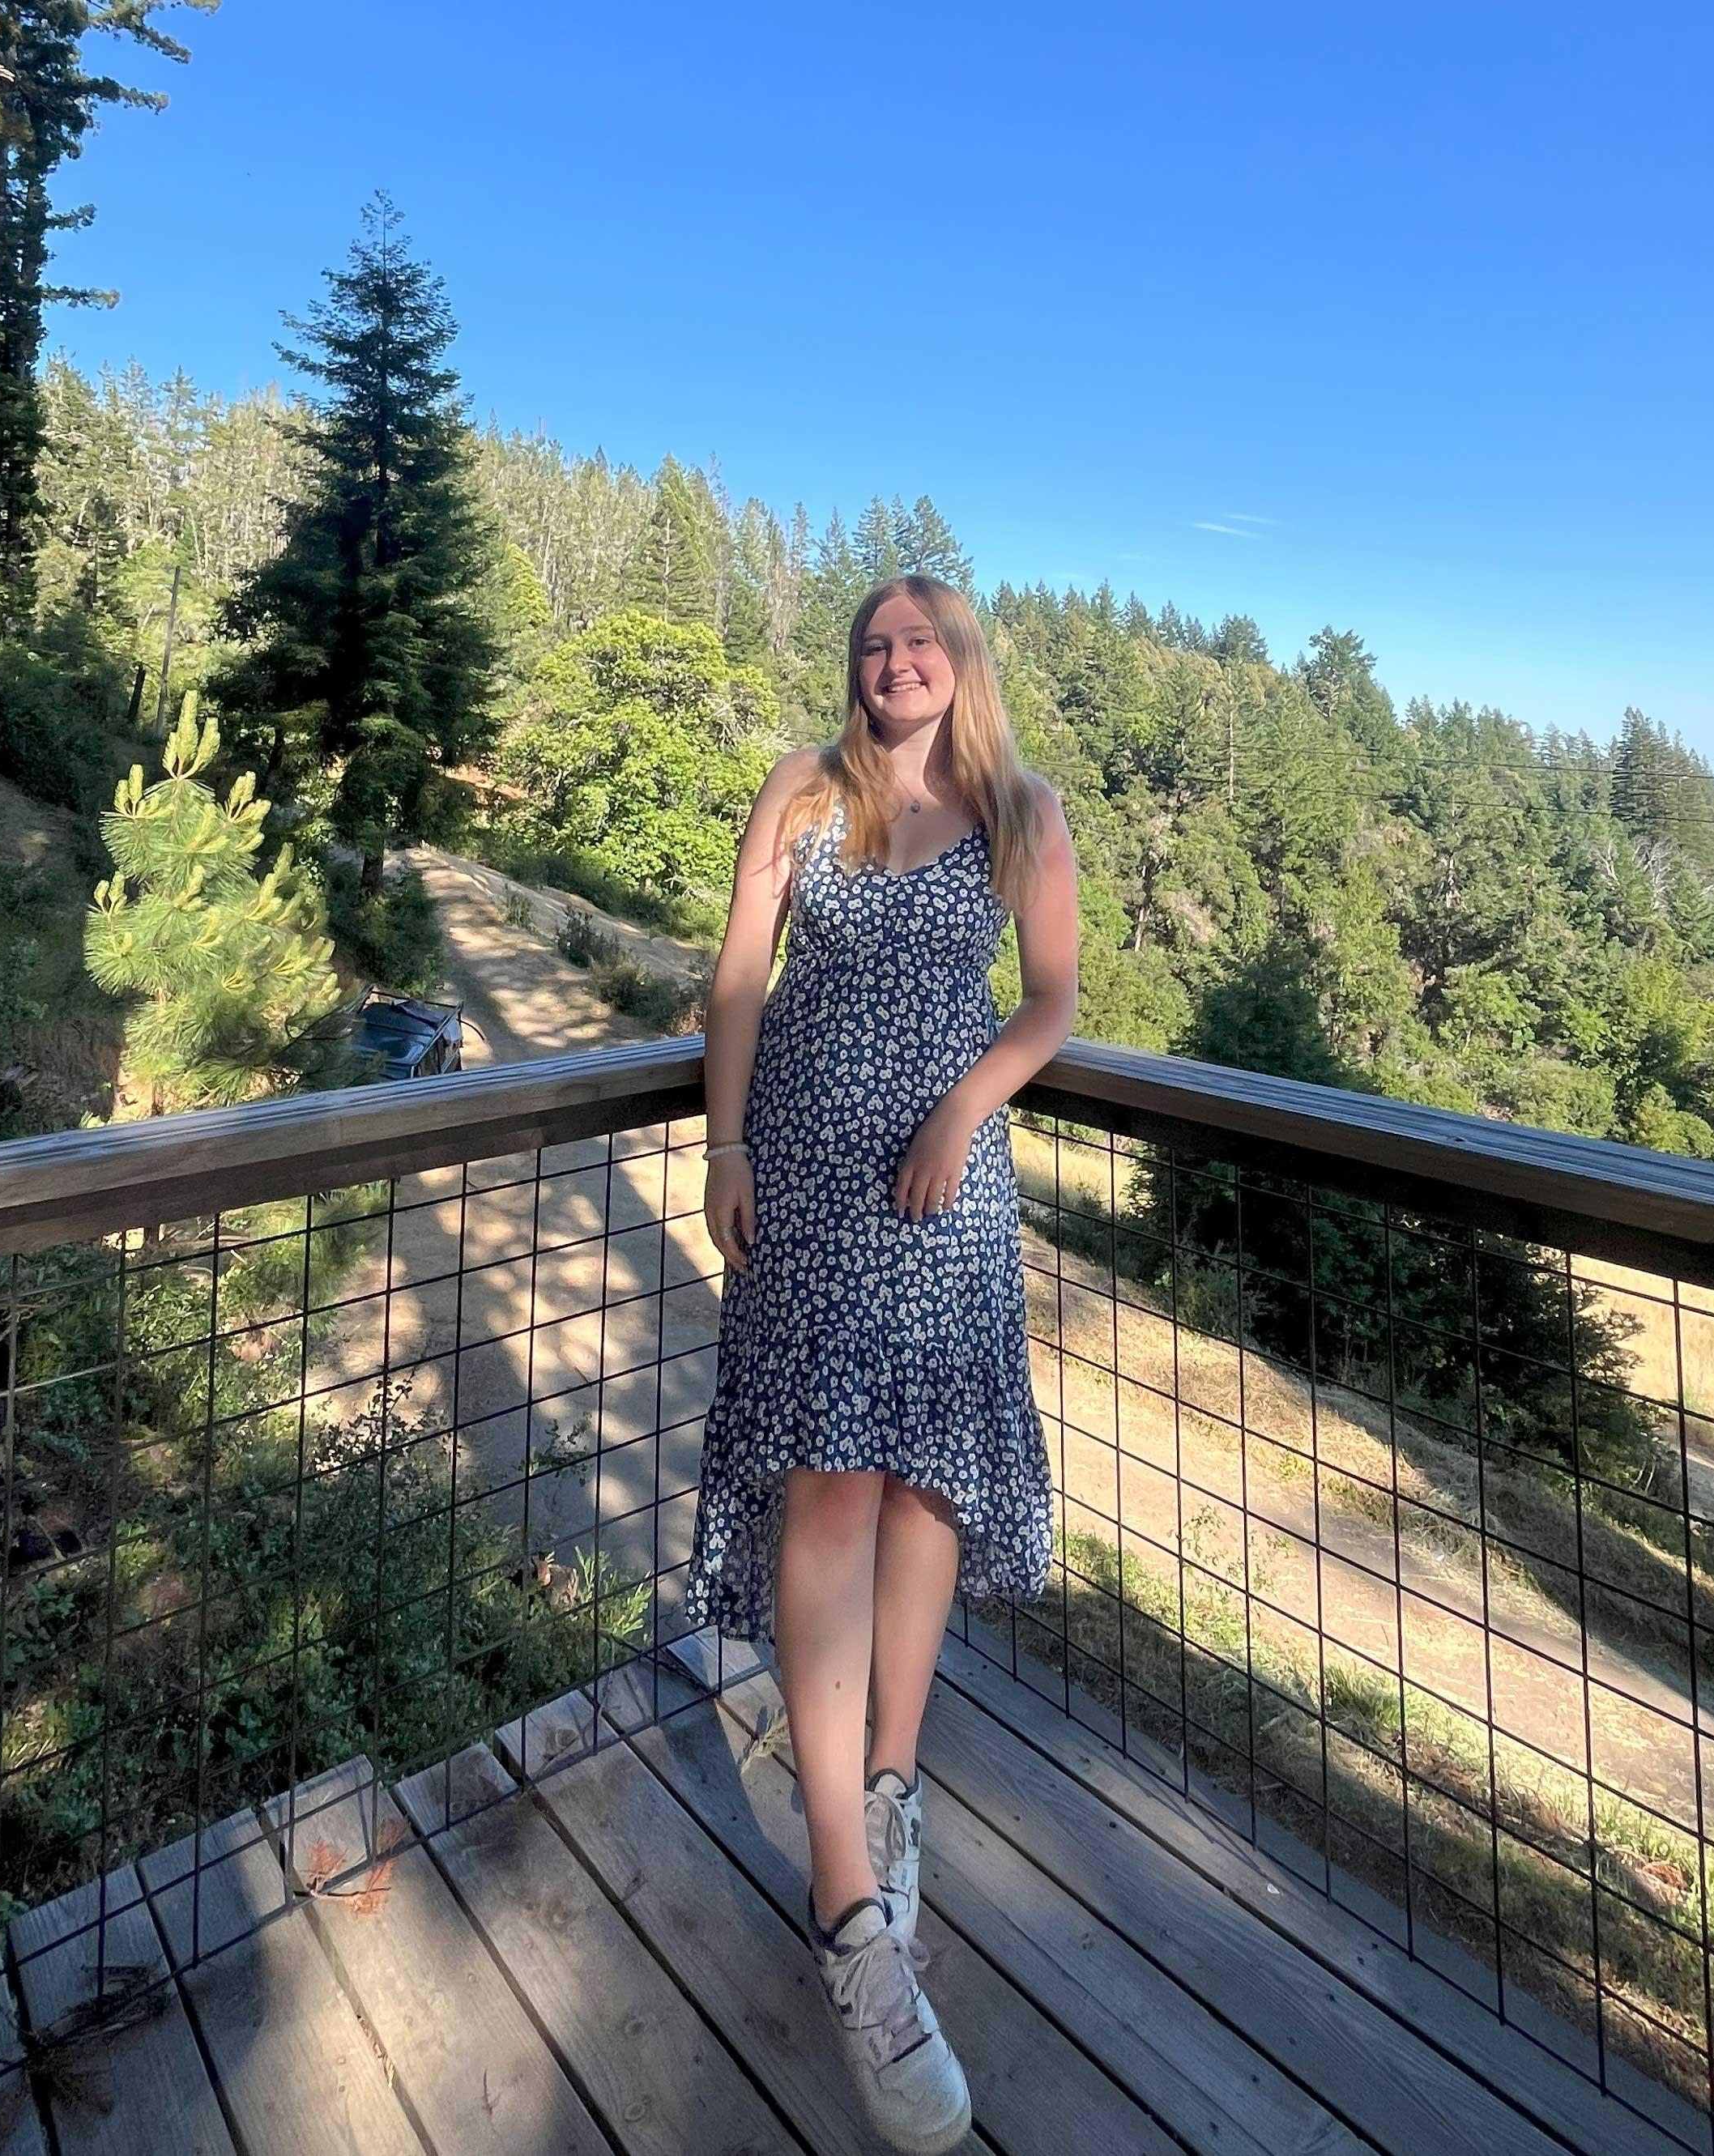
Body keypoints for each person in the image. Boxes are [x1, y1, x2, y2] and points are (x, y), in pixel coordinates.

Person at [686, 573, 1079, 2154]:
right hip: (803, 1168)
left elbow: (1052, 998)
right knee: (829, 1493)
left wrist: (965, 1104)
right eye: (872, 645)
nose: (895, 661)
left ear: (961, 661)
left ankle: (893, 1776)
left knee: (928, 1484)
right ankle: (850, 1908)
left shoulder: (1020, 809)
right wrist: (720, 1137)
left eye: (921, 640)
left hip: (945, 1186)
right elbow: (735, 978)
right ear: (853, 671)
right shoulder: (803, 788)